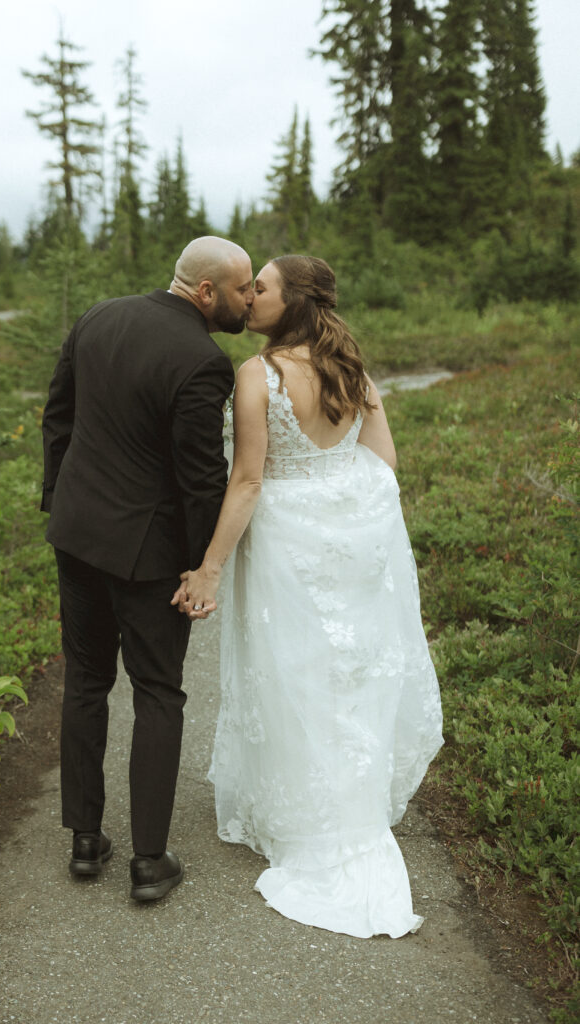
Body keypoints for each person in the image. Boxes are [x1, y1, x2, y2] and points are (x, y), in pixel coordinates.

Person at [175, 254, 443, 936]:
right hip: (350, 542)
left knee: (293, 673)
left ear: (288, 302)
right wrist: (340, 505)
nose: (249, 295)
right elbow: (382, 464)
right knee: (346, 675)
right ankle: (345, 802)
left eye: (259, 286)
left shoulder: (257, 374)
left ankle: (310, 821)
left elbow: (247, 482)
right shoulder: (353, 370)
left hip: (284, 546)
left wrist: (207, 568)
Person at [41, 236, 253, 901]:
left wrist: (60, 503)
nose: (250, 299)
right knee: (158, 692)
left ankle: (83, 841)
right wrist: (200, 566)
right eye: (243, 289)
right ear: (206, 292)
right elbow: (199, 479)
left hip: (76, 537)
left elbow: (58, 420)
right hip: (149, 556)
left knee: (85, 682)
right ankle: (148, 861)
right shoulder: (202, 361)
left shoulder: (97, 316)